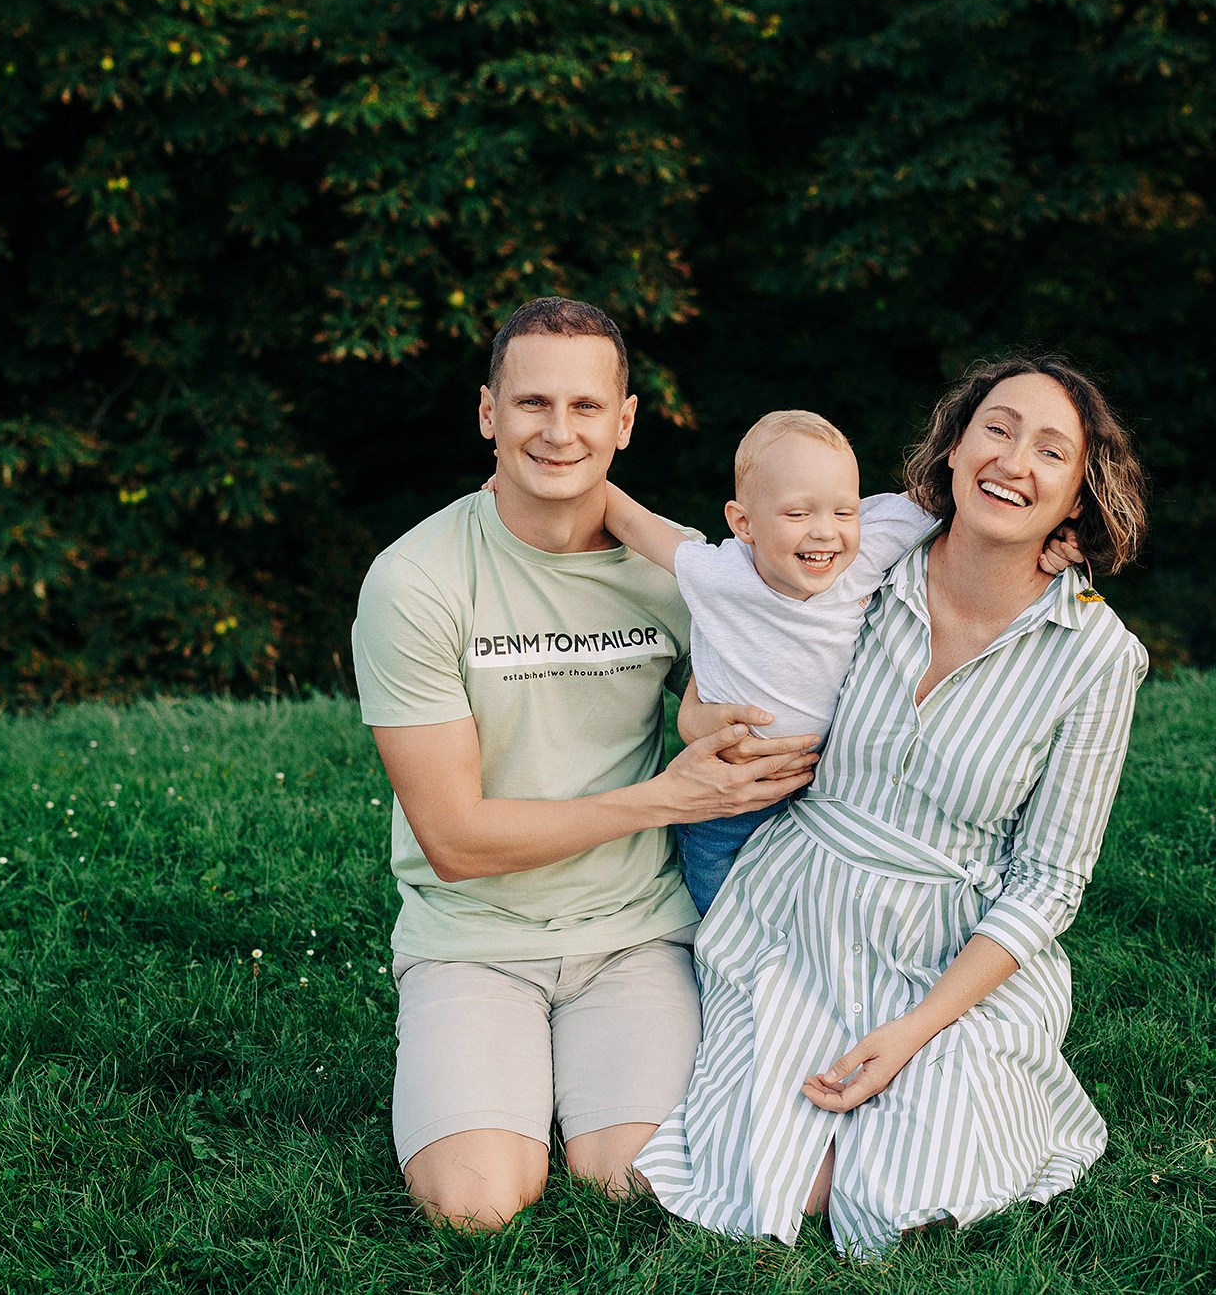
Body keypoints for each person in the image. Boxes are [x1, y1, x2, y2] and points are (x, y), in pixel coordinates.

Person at [634, 355, 1151, 1255]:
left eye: (1049, 451)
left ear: (1077, 495)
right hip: (800, 906)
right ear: (954, 449)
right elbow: (740, 640)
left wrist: (915, 1029)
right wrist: (698, 717)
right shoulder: (862, 563)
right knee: (787, 1180)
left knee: (910, 1190)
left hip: (955, 942)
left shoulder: (1097, 655)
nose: (1013, 461)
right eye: (997, 430)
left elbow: (1050, 882)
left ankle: (955, 1076)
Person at [350, 296, 817, 1231]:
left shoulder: (680, 573)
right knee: (476, 1203)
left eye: (586, 407)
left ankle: (586, 1100)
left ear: (625, 421)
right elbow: (454, 841)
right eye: (532, 403)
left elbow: (782, 660)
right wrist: (665, 798)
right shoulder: (415, 579)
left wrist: (709, 719)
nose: (558, 432)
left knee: (636, 1184)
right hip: (472, 938)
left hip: (637, 932)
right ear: (489, 413)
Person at [601, 410, 1080, 914]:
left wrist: (1058, 534)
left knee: (797, 914)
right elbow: (627, 518)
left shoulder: (865, 554)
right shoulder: (717, 572)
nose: (825, 533)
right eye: (797, 514)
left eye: (844, 512)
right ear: (743, 523)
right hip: (726, 800)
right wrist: (555, 476)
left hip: (824, 795)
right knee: (719, 922)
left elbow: (968, 498)